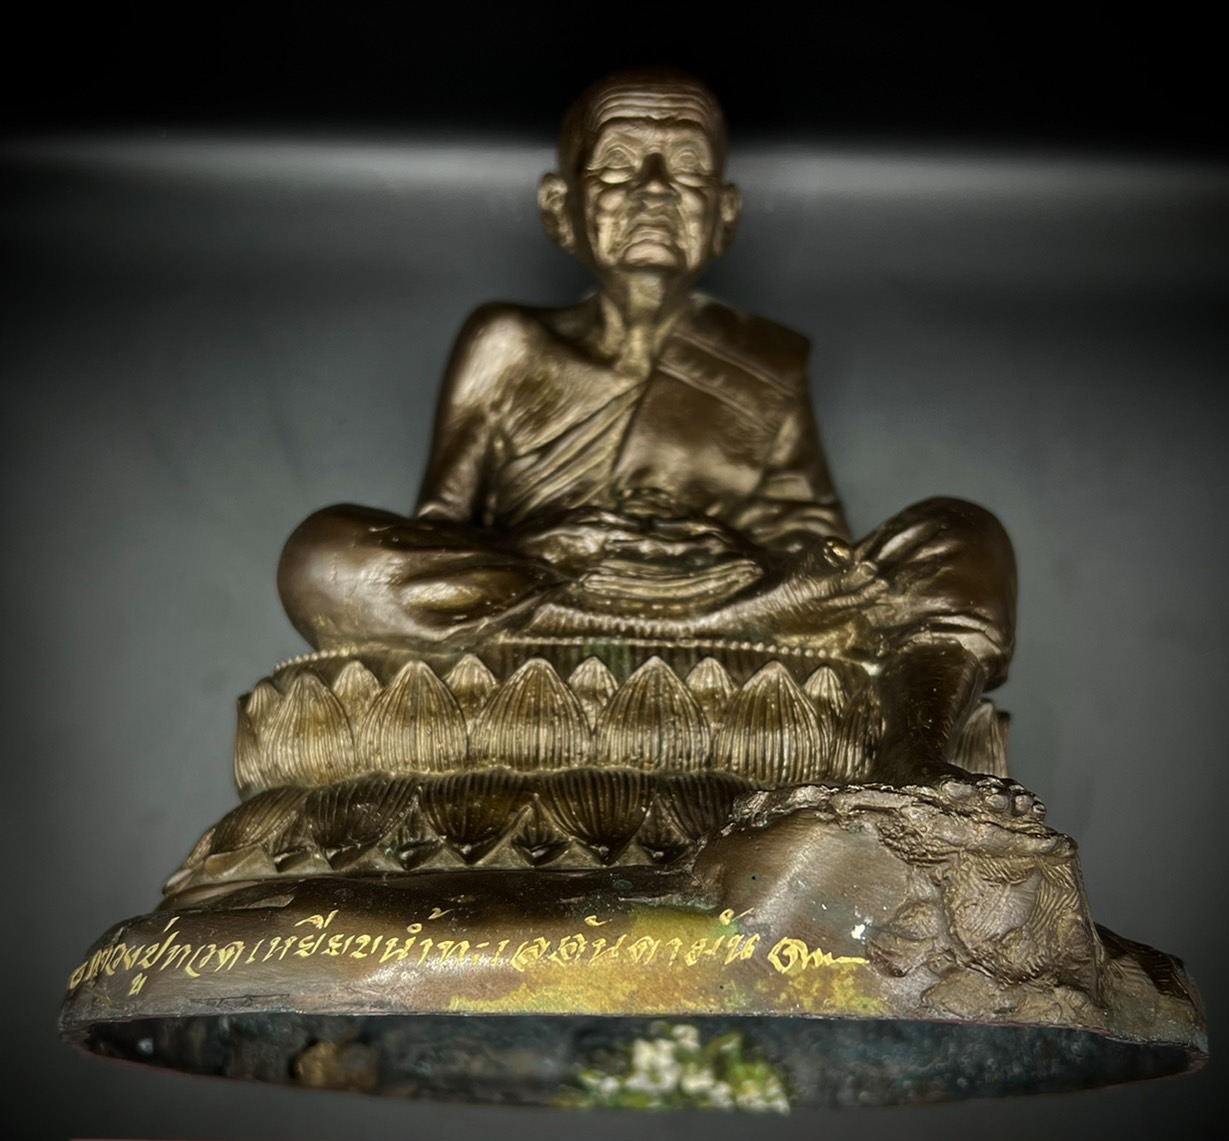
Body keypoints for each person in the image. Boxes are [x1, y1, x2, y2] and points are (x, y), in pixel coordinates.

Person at [278, 70, 1017, 793]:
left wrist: (731, 563)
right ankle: (707, 624)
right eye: (618, 166)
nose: (656, 189)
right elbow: (442, 531)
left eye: (687, 167)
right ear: (560, 208)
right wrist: (559, 549)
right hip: (560, 589)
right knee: (325, 557)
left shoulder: (762, 361)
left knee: (963, 537)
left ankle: (915, 770)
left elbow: (813, 542)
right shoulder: (506, 342)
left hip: (727, 589)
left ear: (725, 214)